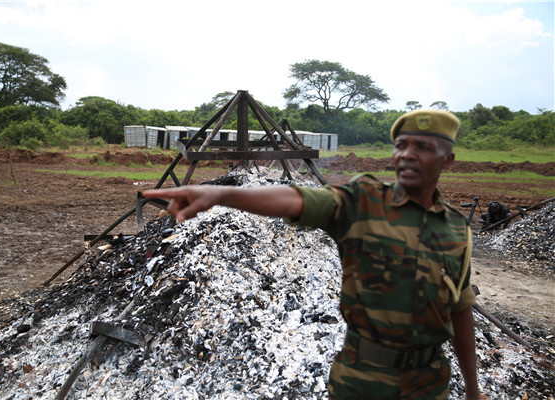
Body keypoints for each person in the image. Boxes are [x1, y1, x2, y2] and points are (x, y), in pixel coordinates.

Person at [142, 110, 481, 400]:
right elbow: (297, 199)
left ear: (447, 159)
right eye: (401, 145)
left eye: (423, 148)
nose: (407, 155)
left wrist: (472, 389)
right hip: (361, 382)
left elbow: (461, 308)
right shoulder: (362, 201)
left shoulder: (455, 228)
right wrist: (221, 193)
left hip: (430, 385)